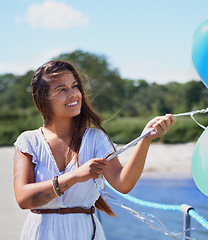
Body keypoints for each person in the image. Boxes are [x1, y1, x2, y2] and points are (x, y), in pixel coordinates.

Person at [13, 60, 176, 240]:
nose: (74, 94)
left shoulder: (96, 139)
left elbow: (123, 184)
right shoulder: (28, 141)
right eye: (62, 90)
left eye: (75, 86)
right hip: (39, 233)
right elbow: (23, 199)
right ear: (43, 98)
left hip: (84, 233)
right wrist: (75, 176)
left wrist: (145, 139)